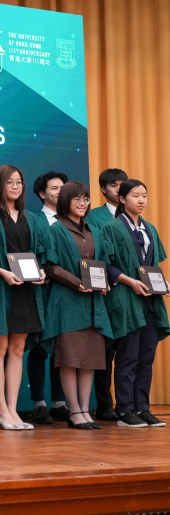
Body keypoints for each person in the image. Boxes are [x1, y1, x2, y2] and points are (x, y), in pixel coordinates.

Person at [0, 165, 48, 431]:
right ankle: (1, 410)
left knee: (17, 350)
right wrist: (1, 271)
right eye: (10, 182)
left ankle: (13, 410)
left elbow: (40, 254)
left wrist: (41, 271)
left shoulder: (31, 218)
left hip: (26, 290)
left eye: (19, 182)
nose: (15, 186)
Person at [42, 182, 114, 430]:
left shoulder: (94, 230)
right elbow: (50, 267)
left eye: (86, 199)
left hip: (94, 304)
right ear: (65, 201)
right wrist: (77, 283)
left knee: (88, 360)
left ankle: (85, 410)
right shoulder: (56, 229)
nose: (83, 204)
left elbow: (102, 264)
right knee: (69, 359)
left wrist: (104, 283)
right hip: (67, 303)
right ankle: (74, 411)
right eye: (77, 199)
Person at [102, 180, 170, 427]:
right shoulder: (111, 227)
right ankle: (125, 410)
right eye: (135, 195)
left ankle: (143, 408)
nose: (141, 200)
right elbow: (106, 265)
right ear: (122, 199)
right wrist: (130, 281)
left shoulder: (150, 228)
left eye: (144, 195)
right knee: (128, 356)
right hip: (126, 298)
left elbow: (152, 265)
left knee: (146, 357)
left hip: (150, 300)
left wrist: (162, 283)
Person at [27, 171, 70, 425]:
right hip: (41, 293)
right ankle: (39, 404)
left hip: (67, 295)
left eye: (63, 187)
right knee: (39, 348)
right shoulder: (34, 220)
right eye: (54, 188)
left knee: (62, 349)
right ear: (42, 193)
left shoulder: (73, 221)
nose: (60, 192)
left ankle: (59, 403)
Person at [87, 168, 128, 422]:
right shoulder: (94, 216)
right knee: (105, 351)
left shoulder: (133, 216)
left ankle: (128, 404)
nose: (119, 189)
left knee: (129, 350)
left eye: (123, 184)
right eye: (114, 185)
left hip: (132, 293)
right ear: (103, 189)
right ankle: (104, 404)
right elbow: (93, 254)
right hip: (106, 293)